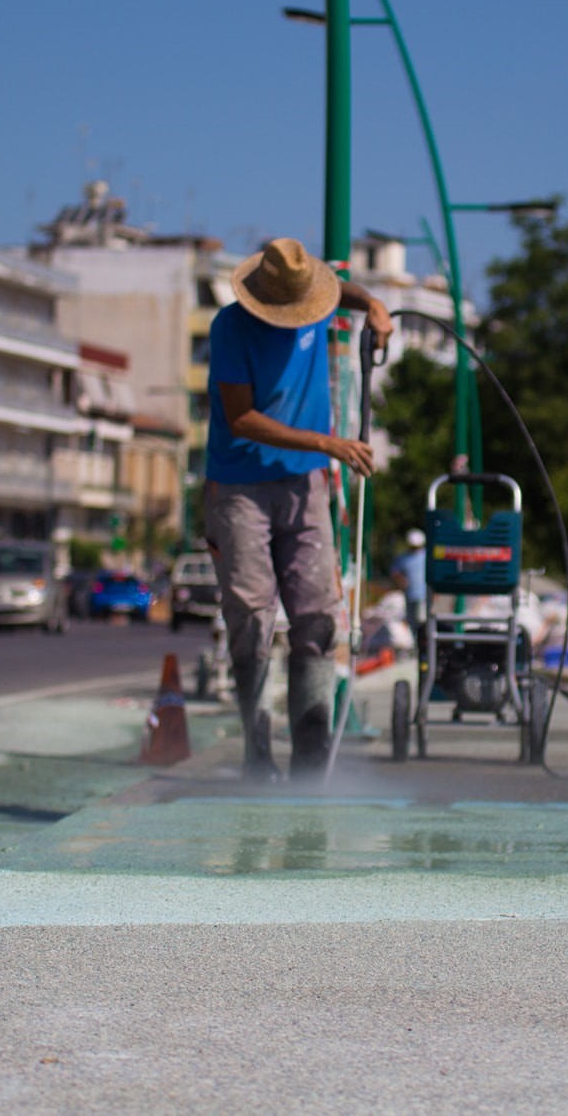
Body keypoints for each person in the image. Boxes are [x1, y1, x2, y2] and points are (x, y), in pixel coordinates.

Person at [205, 237, 392, 781]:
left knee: (316, 613)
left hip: (304, 485)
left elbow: (347, 293)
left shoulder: (323, 300)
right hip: (240, 485)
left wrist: (374, 306)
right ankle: (257, 755)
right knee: (252, 617)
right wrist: (326, 444)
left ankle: (311, 763)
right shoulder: (230, 328)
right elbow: (241, 418)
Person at [391, 528, 429, 646]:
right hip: (410, 595)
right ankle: (417, 645)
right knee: (412, 622)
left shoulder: (426, 556)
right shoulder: (404, 558)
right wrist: (401, 580)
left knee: (422, 621)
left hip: (423, 596)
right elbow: (395, 571)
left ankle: (424, 644)